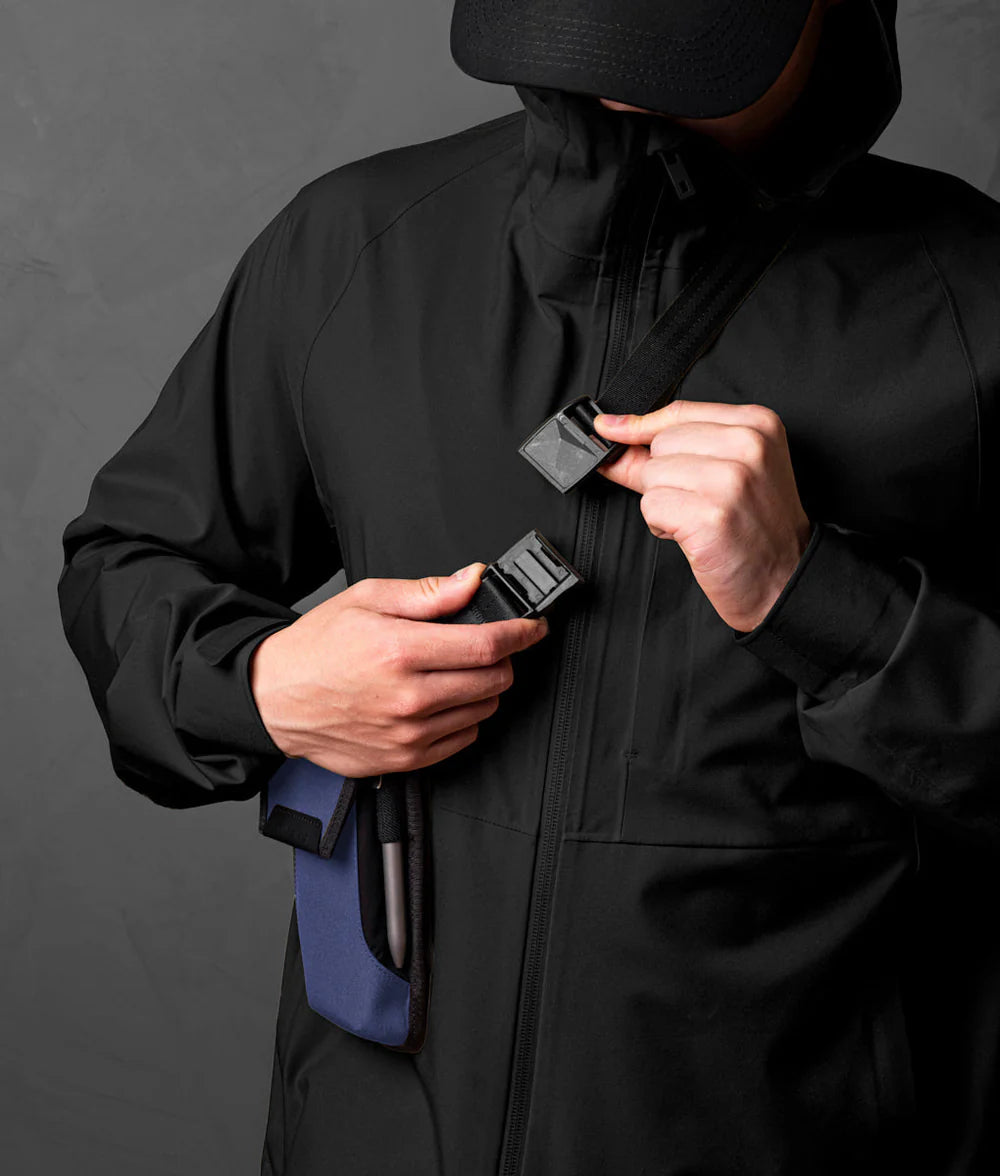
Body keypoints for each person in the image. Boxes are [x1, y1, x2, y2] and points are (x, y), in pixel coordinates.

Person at [56, 0, 1000, 1172]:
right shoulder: (358, 244)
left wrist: (814, 600)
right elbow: (129, 559)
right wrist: (257, 687)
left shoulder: (973, 303)